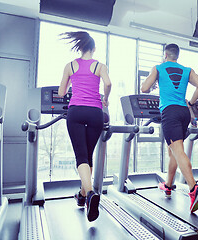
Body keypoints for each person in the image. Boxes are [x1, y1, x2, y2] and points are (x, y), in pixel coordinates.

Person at [141, 43, 198, 213]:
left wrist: (155, 82)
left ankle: (194, 188)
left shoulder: (158, 68)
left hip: (169, 111)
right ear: (177, 55)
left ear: (165, 55)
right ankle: (168, 185)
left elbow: (144, 88)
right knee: (173, 151)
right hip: (184, 111)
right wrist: (190, 102)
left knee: (177, 151)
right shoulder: (187, 70)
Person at [58, 31, 112, 221]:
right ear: (93, 49)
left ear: (80, 48)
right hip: (95, 113)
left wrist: (70, 86)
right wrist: (105, 98)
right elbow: (108, 83)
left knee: (81, 156)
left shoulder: (70, 65)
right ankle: (82, 196)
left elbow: (61, 91)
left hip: (76, 112)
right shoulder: (99, 65)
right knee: (88, 155)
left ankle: (89, 193)